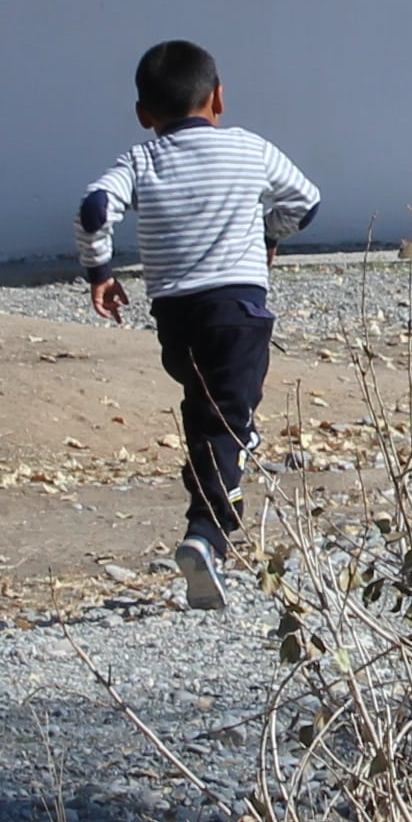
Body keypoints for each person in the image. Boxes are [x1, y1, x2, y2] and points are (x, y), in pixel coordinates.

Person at [78, 39, 318, 610]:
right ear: (219, 98)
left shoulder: (139, 160)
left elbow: (93, 207)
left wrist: (101, 272)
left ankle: (228, 468)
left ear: (144, 114)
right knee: (226, 419)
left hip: (176, 320)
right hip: (237, 309)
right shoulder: (248, 149)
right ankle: (206, 534)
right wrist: (268, 236)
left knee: (205, 409)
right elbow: (307, 200)